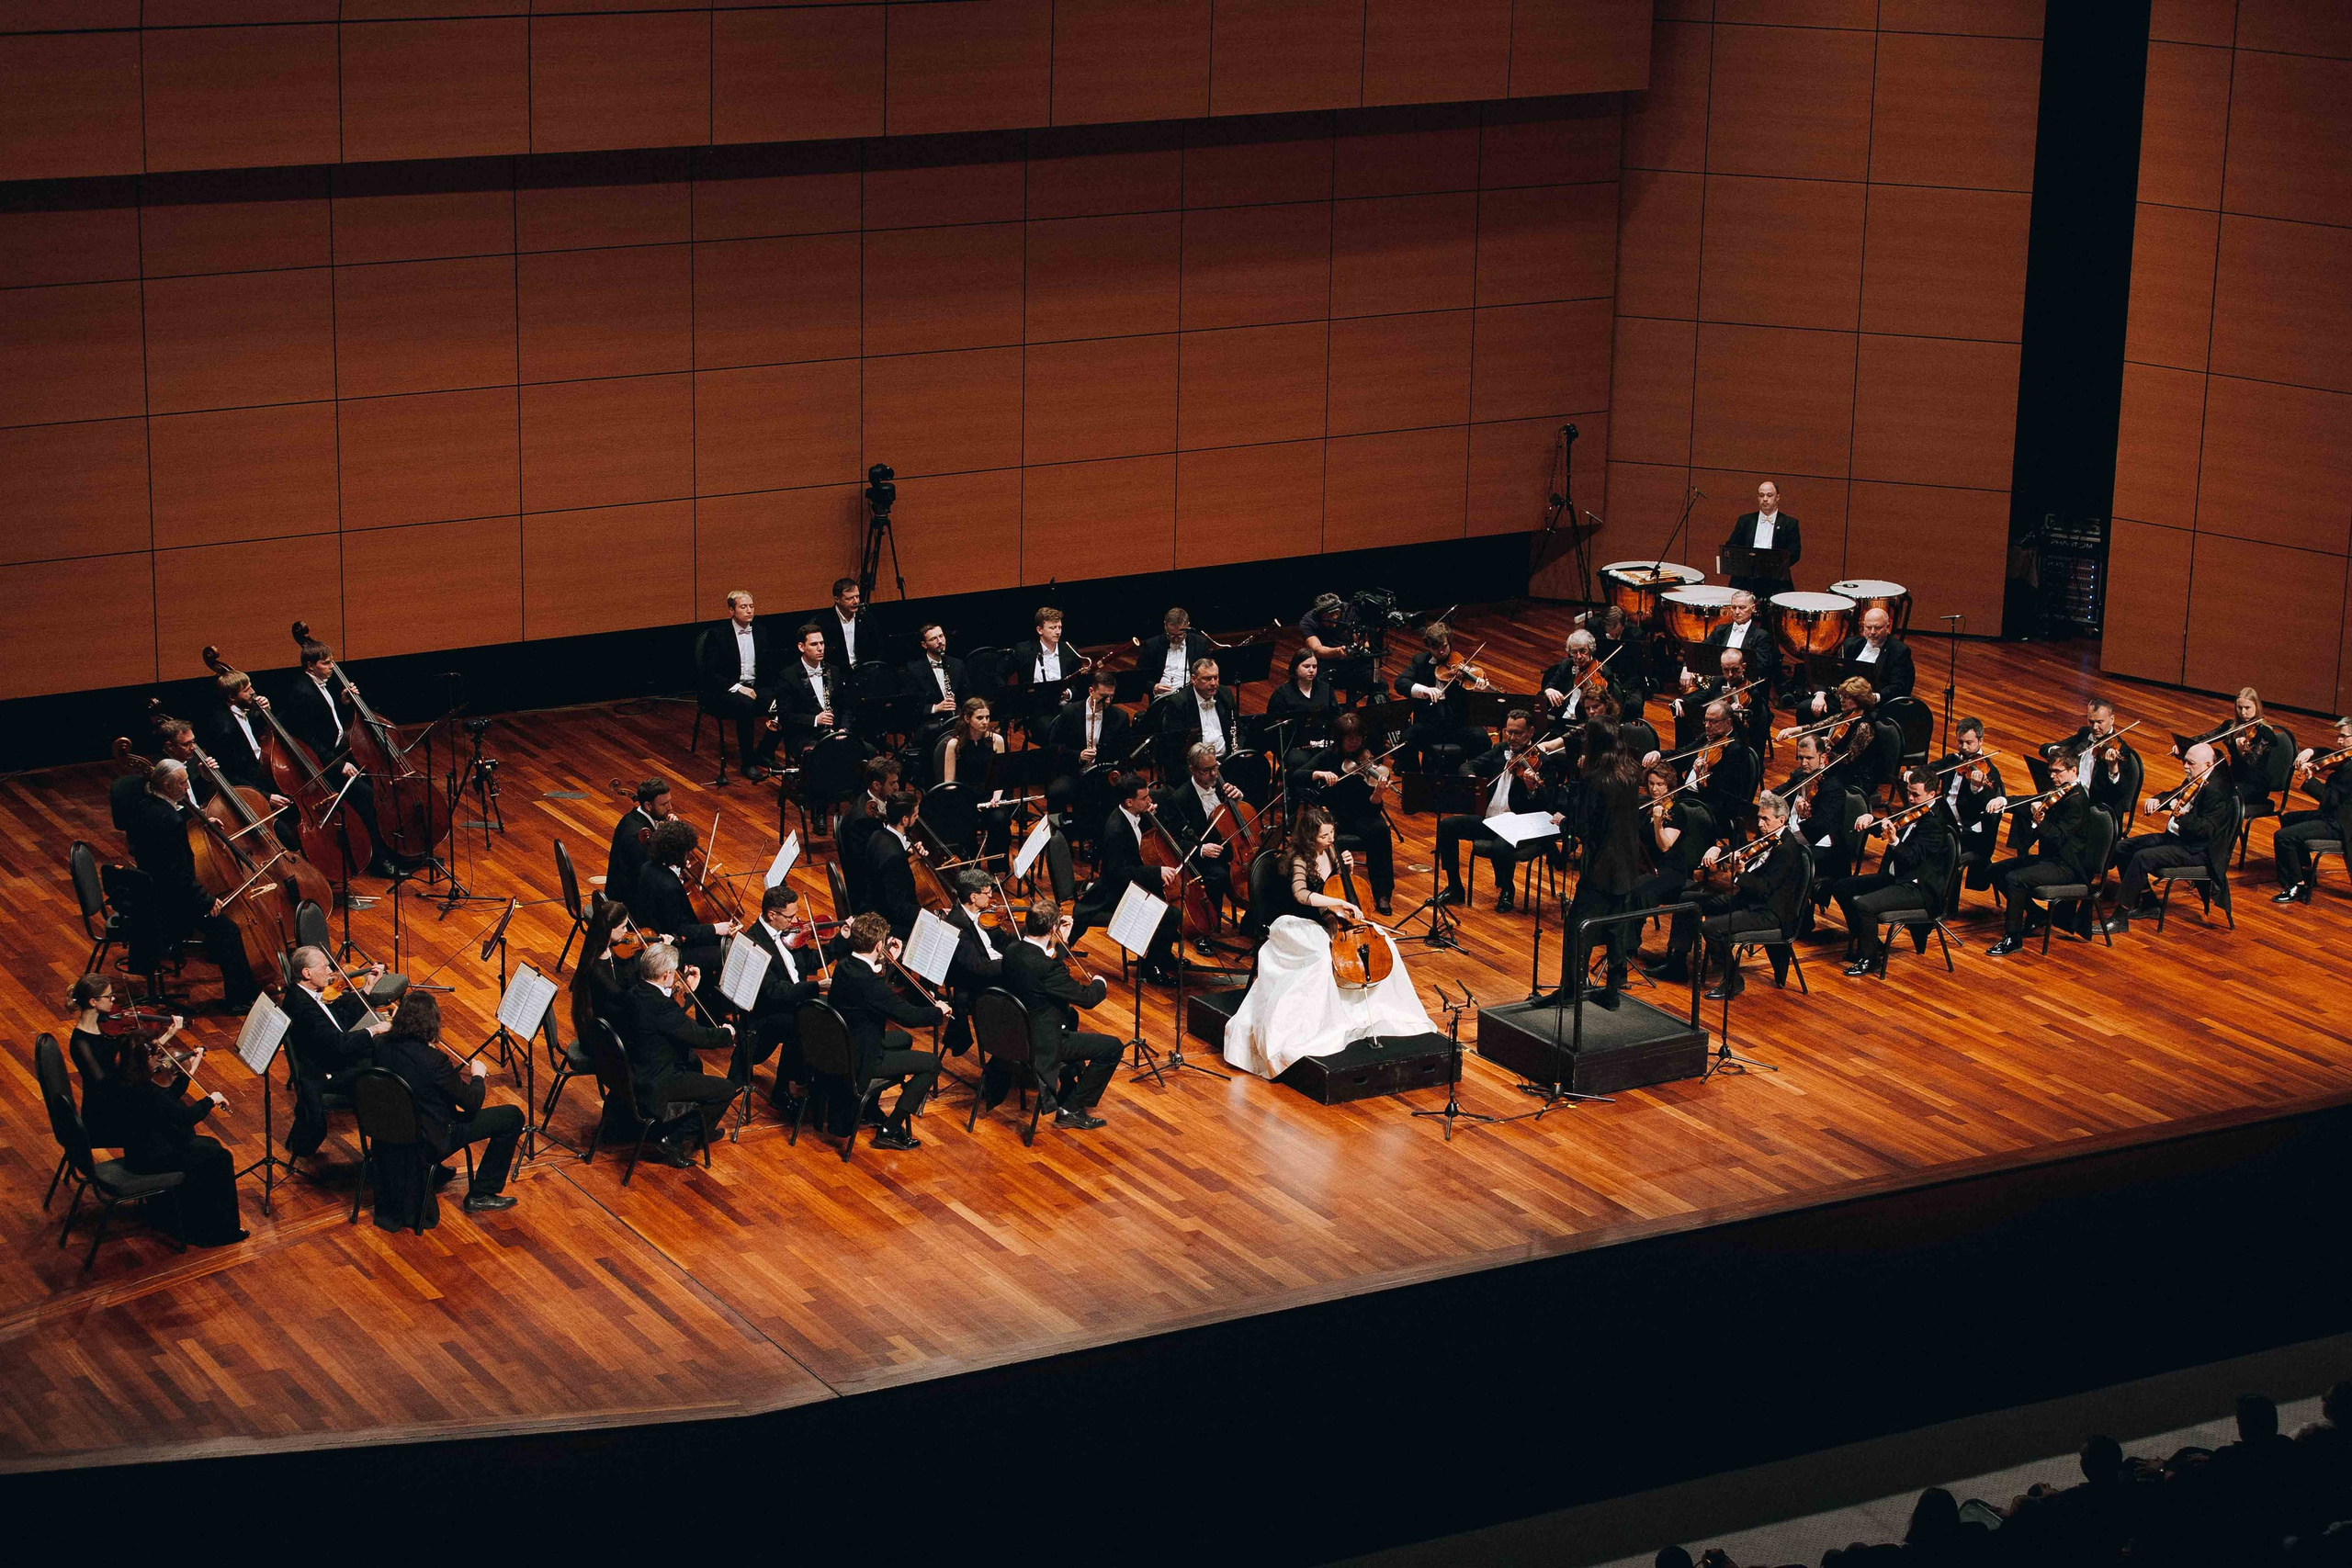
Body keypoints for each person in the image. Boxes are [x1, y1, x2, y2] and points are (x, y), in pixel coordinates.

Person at [1223, 807, 1431, 1080]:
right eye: (1325, 835)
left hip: (1327, 920)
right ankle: (1320, 1023)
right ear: (1310, 837)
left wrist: (1348, 870)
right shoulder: (1298, 859)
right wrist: (1338, 903)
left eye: (1332, 832)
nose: (1331, 839)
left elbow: (1338, 885)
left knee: (1385, 942)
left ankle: (1370, 1014)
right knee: (1323, 957)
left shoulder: (1331, 852)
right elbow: (1301, 895)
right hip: (1295, 923)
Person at [68, 975, 246, 1246]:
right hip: (136, 1143)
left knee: (198, 1141)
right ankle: (215, 1231)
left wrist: (185, 1071)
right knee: (214, 1154)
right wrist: (209, 1100)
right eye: (155, 1056)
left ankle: (173, 1213)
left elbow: (166, 1103)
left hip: (140, 1135)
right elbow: (178, 1113)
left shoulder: (133, 1080)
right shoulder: (139, 1088)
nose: (115, 1002)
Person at [121, 759, 264, 1011]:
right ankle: (239, 999)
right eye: (183, 782)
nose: (188, 787)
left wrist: (202, 819)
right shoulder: (169, 823)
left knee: (222, 930)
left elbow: (175, 813)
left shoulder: (145, 806)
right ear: (167, 784)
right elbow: (177, 875)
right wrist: (206, 900)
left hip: (151, 892)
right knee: (228, 931)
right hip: (169, 901)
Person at [371, 993, 524, 1213]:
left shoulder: (381, 1045)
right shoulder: (434, 1061)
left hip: (387, 1134)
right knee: (512, 1116)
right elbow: (471, 1103)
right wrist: (478, 1077)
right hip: (426, 1139)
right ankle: (482, 1193)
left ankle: (438, 1172)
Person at [995, 901, 1125, 1127]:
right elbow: (1088, 998)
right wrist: (1099, 983)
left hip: (1013, 1034)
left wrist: (1059, 941)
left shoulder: (1012, 951)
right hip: (1042, 1041)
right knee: (1112, 1047)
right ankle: (1071, 1109)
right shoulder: (1046, 967)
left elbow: (1043, 967)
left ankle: (1069, 1080)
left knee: (1071, 1017)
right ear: (1053, 928)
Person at [824, 913, 947, 1150]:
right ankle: (890, 1130)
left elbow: (874, 985)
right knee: (931, 1064)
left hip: (846, 1043)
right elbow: (908, 1016)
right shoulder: (868, 984)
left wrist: (888, 962)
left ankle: (868, 1108)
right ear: (879, 945)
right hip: (862, 1058)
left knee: (903, 1039)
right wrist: (938, 1012)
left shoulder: (844, 966)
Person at [277, 633, 398, 876]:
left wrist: (342, 702)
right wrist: (338, 765)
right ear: (310, 665)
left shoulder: (318, 685)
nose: (332, 667)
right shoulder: (302, 693)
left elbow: (326, 721)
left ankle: (393, 845)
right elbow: (309, 741)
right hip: (321, 763)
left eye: (332, 661)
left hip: (336, 751)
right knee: (364, 796)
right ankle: (377, 860)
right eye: (326, 663)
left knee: (375, 782)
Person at [619, 941, 739, 1165]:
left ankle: (703, 1127)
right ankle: (675, 1138)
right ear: (666, 975)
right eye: (673, 972)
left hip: (636, 1071)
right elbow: (698, 1037)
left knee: (695, 1064)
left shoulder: (635, 992)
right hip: (657, 1080)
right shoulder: (660, 1007)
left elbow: (670, 1022)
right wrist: (726, 1033)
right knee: (725, 1089)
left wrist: (687, 992)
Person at [1553, 721, 1645, 1009]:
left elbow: (1584, 826)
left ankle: (1571, 989)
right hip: (1628, 864)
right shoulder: (1631, 772)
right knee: (1616, 929)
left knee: (1577, 928)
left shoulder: (1595, 778)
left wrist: (1564, 822)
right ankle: (1612, 992)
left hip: (1602, 866)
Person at [1684, 791, 1807, 1000]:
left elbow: (1765, 889)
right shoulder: (1768, 837)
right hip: (1749, 901)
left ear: (1781, 820)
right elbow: (1744, 850)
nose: (1759, 824)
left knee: (1711, 927)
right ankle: (1677, 958)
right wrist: (1719, 849)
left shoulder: (1787, 849)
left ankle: (1732, 981)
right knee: (1688, 898)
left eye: (1765, 819)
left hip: (1768, 912)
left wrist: (1741, 874)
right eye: (1759, 817)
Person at [1832, 768, 1956, 975]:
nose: (1910, 798)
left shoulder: (1935, 824)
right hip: (1895, 878)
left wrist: (1894, 841)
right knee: (1842, 888)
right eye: (1909, 792)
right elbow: (1890, 826)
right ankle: (1869, 942)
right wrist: (1870, 820)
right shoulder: (1914, 810)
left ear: (1932, 795)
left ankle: (1869, 958)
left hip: (1917, 888)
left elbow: (1911, 858)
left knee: (1864, 904)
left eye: (1916, 794)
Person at [1435, 709, 1560, 912]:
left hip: (1520, 824)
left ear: (1530, 733)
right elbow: (1468, 766)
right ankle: (1454, 887)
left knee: (1499, 847)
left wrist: (1531, 790)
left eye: (1518, 733)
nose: (1512, 738)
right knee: (1447, 826)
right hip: (1491, 819)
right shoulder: (1499, 750)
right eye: (1509, 732)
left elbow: (1547, 805)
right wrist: (1471, 778)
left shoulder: (1543, 763)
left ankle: (1507, 889)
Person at [2102, 741, 2233, 931]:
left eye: (2190, 763)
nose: (2186, 767)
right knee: (2122, 848)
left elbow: (2207, 830)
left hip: (2197, 850)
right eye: (2185, 762)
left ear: (2207, 765)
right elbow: (2174, 795)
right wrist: (2158, 799)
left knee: (2142, 857)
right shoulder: (2195, 779)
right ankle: (2149, 902)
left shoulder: (2217, 791)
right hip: (2176, 839)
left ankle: (2120, 917)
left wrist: (2182, 816)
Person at [283, 942, 393, 1156]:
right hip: (329, 1073)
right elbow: (340, 1044)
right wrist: (374, 1029)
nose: (330, 971)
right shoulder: (303, 1008)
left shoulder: (303, 994)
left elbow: (338, 1018)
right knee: (391, 1067)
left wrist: (368, 988)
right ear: (307, 973)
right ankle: (390, 1145)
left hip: (328, 1060)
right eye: (324, 967)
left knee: (387, 1053)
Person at [1984, 754, 2101, 954]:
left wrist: (2040, 821)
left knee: (2015, 879)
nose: (2052, 776)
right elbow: (2032, 799)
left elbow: (2059, 837)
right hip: (2050, 860)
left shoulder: (2077, 801)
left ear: (2073, 771)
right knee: (1996, 870)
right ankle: (2036, 914)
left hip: (2068, 866)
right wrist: (2004, 801)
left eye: (2057, 771)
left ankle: (2013, 938)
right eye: (2051, 771)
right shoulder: (2060, 791)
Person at [735, 882, 833, 1117]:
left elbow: (810, 961)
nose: (795, 921)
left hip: (789, 999)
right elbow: (775, 992)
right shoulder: (757, 943)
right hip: (765, 1013)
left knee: (820, 1017)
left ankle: (807, 1075)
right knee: (803, 1025)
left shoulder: (786, 934)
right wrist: (815, 987)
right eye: (790, 916)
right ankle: (781, 1092)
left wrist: (843, 942)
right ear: (772, 915)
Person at [1072, 772, 1181, 981]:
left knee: (1169, 905)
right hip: (1115, 893)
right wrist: (1156, 872)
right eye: (1144, 798)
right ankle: (1150, 967)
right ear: (1129, 801)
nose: (1150, 800)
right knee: (1170, 914)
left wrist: (1150, 817)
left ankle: (1162, 956)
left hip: (1132, 884)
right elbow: (1117, 873)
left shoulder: (1131, 815)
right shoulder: (1116, 830)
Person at [1301, 711, 1396, 914]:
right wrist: (1319, 774)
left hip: (1363, 813)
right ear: (1340, 738)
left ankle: (1382, 894)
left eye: (1359, 737)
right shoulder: (1328, 757)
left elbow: (1373, 807)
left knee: (1380, 831)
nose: (1355, 742)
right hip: (1335, 814)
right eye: (1350, 737)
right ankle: (1334, 892)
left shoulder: (1367, 758)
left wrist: (1378, 794)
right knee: (1327, 834)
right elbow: (1297, 775)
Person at [1159, 743, 1249, 946]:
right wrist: (1200, 849)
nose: (1213, 774)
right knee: (1218, 876)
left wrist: (1240, 800)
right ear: (1192, 769)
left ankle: (1252, 921)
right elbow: (1172, 839)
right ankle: (1206, 930)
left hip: (1233, 849)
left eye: (1215, 767)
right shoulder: (1179, 798)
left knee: (1258, 867)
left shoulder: (1223, 788)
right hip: (1202, 856)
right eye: (1206, 770)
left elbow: (1238, 818)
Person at [628, 818, 739, 977]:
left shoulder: (648, 867)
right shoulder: (670, 886)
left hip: (651, 933)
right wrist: (715, 928)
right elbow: (682, 929)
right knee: (725, 952)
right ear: (679, 853)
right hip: (668, 948)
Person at [696, 589, 780, 779]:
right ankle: (748, 762)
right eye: (743, 607)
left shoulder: (761, 632)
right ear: (731, 611)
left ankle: (765, 752)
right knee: (746, 705)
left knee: (784, 702)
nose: (749, 610)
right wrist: (740, 688)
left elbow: (768, 667)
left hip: (755, 685)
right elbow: (710, 673)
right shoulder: (717, 635)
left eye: (751, 606)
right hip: (725, 689)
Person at [2274, 716, 2351, 904]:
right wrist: (2311, 751)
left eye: (2344, 737)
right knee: (2289, 819)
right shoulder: (2347, 758)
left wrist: (2310, 781)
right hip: (2333, 815)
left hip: (2340, 824)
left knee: (2283, 836)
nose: (2339, 741)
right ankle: (2306, 873)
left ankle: (2296, 885)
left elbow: (2329, 799)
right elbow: (2329, 754)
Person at [1395, 622, 1490, 773]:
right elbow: (1400, 683)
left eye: (1444, 646)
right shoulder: (1420, 662)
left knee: (1481, 737)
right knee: (1407, 738)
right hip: (1430, 725)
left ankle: (1474, 780)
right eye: (1435, 648)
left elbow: (1471, 703)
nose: (1440, 652)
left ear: (1449, 642)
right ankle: (1415, 783)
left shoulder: (1461, 664)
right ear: (1428, 647)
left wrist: (1478, 691)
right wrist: (1424, 690)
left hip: (1458, 725)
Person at [1045, 667, 1130, 822]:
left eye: (1111, 696)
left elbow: (1123, 752)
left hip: (1102, 773)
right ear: (1091, 691)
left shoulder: (1120, 717)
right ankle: (1059, 839)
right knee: (1056, 793)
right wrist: (1079, 755)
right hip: (1073, 771)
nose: (1108, 702)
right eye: (1104, 697)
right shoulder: (1070, 712)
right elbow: (1053, 746)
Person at [1930, 717, 2006, 895]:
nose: (1964, 747)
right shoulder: (1953, 760)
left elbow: (1988, 805)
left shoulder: (1990, 771)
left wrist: (1976, 788)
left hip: (1971, 833)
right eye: (1960, 742)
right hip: (1947, 823)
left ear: (1981, 741)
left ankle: (1942, 904)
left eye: (1969, 743)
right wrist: (1915, 773)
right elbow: (1931, 769)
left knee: (1936, 847)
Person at [2185, 686, 2284, 814]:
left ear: (2257, 707)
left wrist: (2242, 751)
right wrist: (2186, 746)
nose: (2243, 713)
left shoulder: (2265, 733)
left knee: (2218, 796)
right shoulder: (2230, 726)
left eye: (2247, 708)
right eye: (2240, 708)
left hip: (2254, 784)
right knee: (2204, 788)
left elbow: (2252, 763)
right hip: (2233, 777)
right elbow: (2205, 738)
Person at [934, 696, 1013, 855]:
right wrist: (965, 803)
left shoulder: (997, 740)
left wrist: (996, 798)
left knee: (1000, 819)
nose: (985, 722)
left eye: (987, 717)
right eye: (980, 718)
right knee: (964, 820)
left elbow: (1001, 778)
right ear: (967, 718)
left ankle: (996, 866)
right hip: (965, 796)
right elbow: (949, 783)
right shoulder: (954, 744)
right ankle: (970, 867)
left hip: (991, 796)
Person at [2043, 698, 2138, 824]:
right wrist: (2058, 754)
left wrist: (2113, 769)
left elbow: (2119, 794)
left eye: (2100, 722)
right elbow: (2045, 748)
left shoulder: (2122, 750)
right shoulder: (2085, 734)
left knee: (2050, 826)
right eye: (2091, 721)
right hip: (2071, 799)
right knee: (2031, 811)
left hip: (2095, 809)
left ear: (2112, 719)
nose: (2095, 727)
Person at [1804, 606, 1914, 711]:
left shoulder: (1899, 651)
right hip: (1845, 701)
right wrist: (1820, 695)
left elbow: (1899, 687)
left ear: (1888, 627)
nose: (1873, 632)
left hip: (1874, 705)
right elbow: (1830, 673)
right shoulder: (1851, 644)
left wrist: (1870, 699)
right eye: (1869, 627)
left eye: (1878, 628)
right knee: (1805, 708)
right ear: (1863, 626)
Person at [773, 622, 850, 760]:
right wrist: (815, 720)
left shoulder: (834, 671)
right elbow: (785, 715)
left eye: (822, 643)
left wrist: (844, 728)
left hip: (836, 732)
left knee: (866, 751)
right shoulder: (788, 676)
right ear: (801, 647)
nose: (820, 648)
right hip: (805, 736)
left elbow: (845, 705)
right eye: (814, 644)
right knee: (826, 756)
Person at [1721, 479, 1801, 597]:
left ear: (1777, 498)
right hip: (1746, 578)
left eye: (1769, 495)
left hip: (1776, 579)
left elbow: (1794, 553)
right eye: (1761, 495)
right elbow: (1731, 546)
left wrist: (1773, 565)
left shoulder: (1789, 523)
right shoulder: (1745, 520)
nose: (1765, 499)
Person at [605, 778, 673, 913]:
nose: (670, 808)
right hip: (629, 906)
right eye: (664, 804)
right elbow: (649, 879)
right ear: (648, 806)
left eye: (670, 802)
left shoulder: (634, 818)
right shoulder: (637, 835)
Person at [1696, 590, 1781, 694]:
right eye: (1734, 607)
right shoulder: (1720, 630)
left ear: (1753, 608)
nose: (1736, 612)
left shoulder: (1761, 636)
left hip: (1745, 689)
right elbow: (1699, 651)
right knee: (1681, 703)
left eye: (1742, 607)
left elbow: (1760, 668)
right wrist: (1686, 668)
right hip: (1716, 686)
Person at [866, 789, 924, 938]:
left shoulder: (877, 835)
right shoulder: (894, 857)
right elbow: (897, 906)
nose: (917, 818)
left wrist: (909, 853)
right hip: (890, 923)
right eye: (915, 815)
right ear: (905, 820)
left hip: (874, 907)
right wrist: (930, 916)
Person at [1297, 592, 1374, 704]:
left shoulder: (1350, 611)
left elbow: (1364, 643)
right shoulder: (1308, 621)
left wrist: (1360, 645)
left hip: (1355, 663)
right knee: (1320, 693)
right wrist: (1338, 651)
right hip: (1326, 664)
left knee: (1379, 685)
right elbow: (1317, 650)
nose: (1334, 617)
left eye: (1336, 613)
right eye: (1329, 614)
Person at [904, 621, 964, 753]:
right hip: (931, 724)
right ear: (924, 645)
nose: (940, 641)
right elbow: (911, 706)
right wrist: (936, 708)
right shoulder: (914, 670)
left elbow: (968, 695)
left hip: (958, 720)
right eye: (934, 639)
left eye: (941, 636)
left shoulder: (957, 665)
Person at [1138, 606, 1211, 701]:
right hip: (1161, 699)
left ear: (1188, 626)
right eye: (1171, 635)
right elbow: (1139, 678)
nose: (1176, 639)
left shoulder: (1200, 644)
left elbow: (1207, 673)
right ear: (1165, 625)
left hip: (1190, 699)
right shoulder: (1152, 645)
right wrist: (1153, 687)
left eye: (1180, 635)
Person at [1012, 604, 1078, 688]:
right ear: (1040, 630)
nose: (1058, 632)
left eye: (1060, 627)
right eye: (1053, 628)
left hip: (1064, 701)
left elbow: (1078, 684)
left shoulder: (1070, 650)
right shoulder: (1023, 650)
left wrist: (1068, 693)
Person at [820, 576, 865, 670]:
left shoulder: (866, 617)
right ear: (837, 600)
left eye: (857, 596)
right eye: (850, 598)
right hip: (838, 672)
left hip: (864, 670)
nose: (856, 601)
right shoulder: (825, 621)